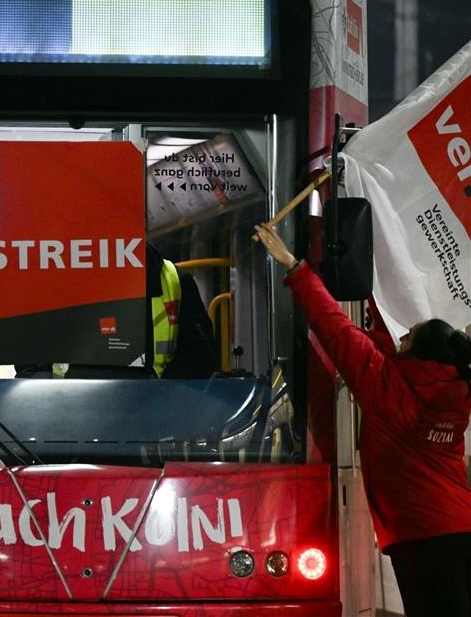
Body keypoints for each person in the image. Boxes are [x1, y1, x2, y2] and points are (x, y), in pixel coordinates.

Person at [254, 223, 471, 617]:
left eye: (407, 338)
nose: (397, 340)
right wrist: (370, 283)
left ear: (417, 352)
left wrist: (294, 267)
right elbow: (384, 341)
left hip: (421, 539)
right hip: (461, 527)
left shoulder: (385, 385)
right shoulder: (455, 391)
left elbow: (336, 328)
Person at [42, 243, 217, 380]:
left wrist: (162, 398)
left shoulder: (174, 279)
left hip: (150, 412)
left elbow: (199, 358)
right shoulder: (52, 276)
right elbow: (32, 365)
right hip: (68, 410)